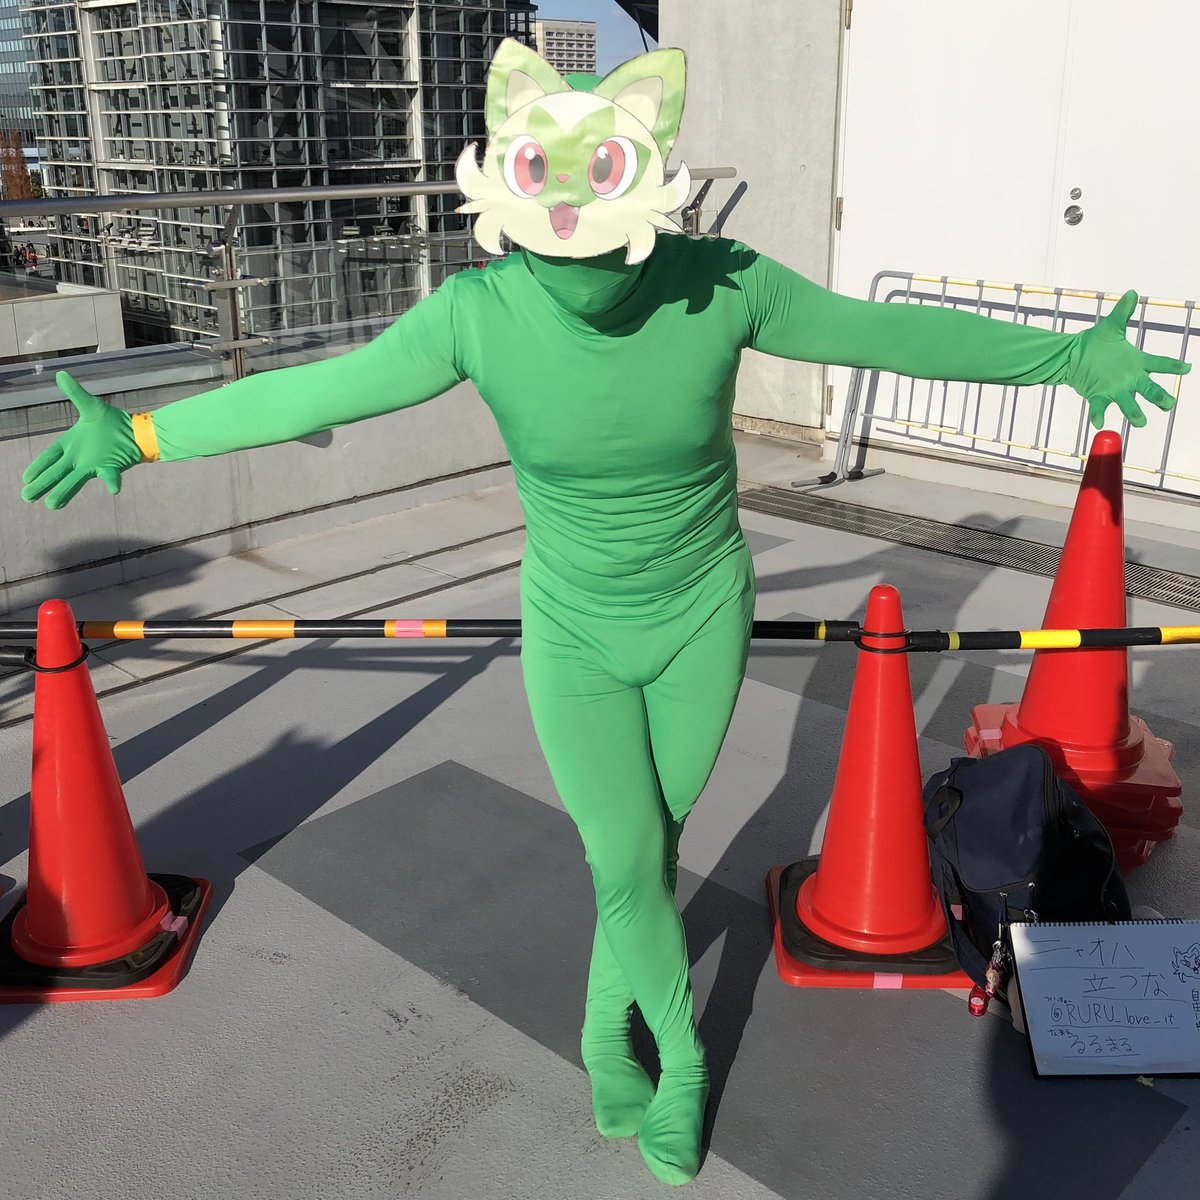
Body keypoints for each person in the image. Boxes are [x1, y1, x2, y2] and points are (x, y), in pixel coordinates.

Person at [19, 40, 1190, 1187]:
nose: (573, 212)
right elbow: (315, 392)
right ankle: (679, 1061)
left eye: (602, 175)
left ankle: (597, 1034)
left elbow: (890, 331)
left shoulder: (722, 282)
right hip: (573, 628)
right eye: (547, 178)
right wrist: (145, 432)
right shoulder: (477, 312)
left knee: (649, 850)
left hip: (700, 615)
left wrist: (1064, 360)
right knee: (624, 856)